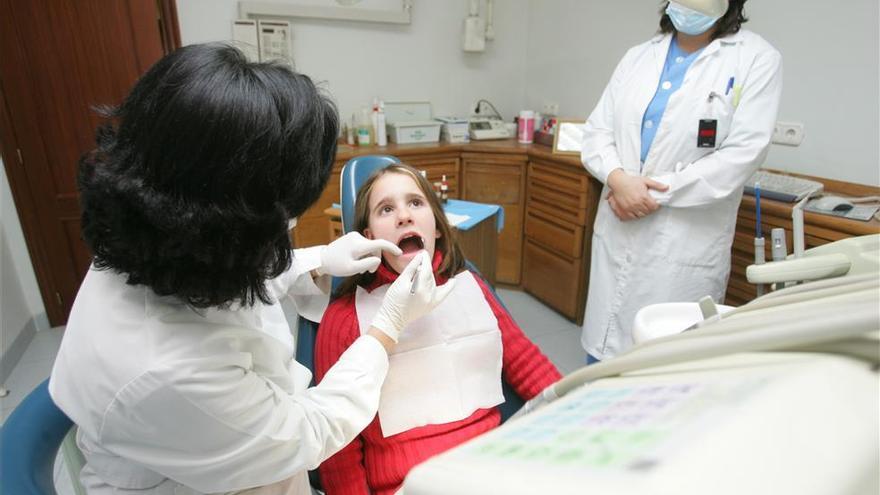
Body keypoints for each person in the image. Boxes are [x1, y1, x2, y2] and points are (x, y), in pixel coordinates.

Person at [48, 44, 454, 495]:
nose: (404, 217)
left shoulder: (157, 232)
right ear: (229, 222)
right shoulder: (168, 370)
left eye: (416, 203)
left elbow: (227, 276)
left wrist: (319, 260)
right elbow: (310, 433)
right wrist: (385, 329)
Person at [314, 163, 562, 495]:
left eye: (415, 203)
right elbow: (339, 447)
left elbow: (528, 365)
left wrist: (581, 414)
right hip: (410, 484)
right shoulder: (344, 317)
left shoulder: (470, 286)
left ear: (437, 227)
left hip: (493, 466)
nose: (404, 216)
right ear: (369, 237)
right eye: (386, 209)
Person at [580, 0, 782, 361]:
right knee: (603, 356)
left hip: (682, 239)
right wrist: (619, 179)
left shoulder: (755, 58)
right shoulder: (639, 56)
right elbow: (597, 131)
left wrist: (655, 193)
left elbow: (744, 152)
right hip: (619, 218)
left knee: (666, 363)